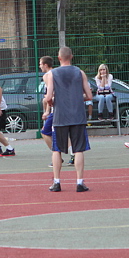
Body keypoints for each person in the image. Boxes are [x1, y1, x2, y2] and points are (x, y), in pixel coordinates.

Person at [44, 46, 92, 192]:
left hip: (60, 116)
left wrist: (52, 102)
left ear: (59, 58)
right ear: (71, 56)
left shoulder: (52, 74)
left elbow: (48, 97)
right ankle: (79, 182)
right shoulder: (80, 72)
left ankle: (57, 182)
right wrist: (78, 99)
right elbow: (89, 96)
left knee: (56, 149)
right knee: (78, 149)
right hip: (77, 116)